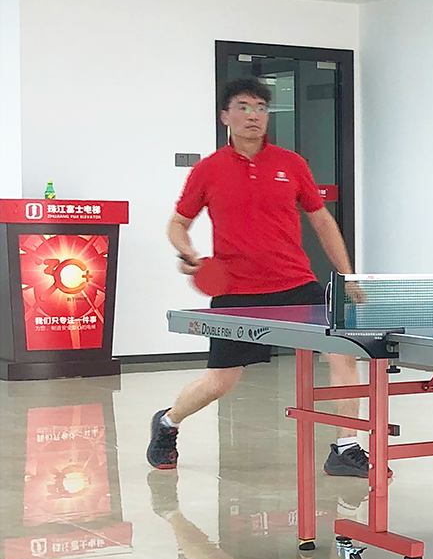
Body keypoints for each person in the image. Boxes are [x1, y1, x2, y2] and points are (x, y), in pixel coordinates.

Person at [146, 77, 370, 477]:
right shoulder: (207, 170)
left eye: (261, 108)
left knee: (343, 353)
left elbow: (321, 221)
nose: (254, 115)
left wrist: (348, 276)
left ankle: (346, 447)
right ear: (225, 116)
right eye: (244, 107)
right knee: (220, 383)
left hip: (296, 284)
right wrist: (188, 253)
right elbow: (178, 224)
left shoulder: (292, 164)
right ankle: (167, 421)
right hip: (236, 291)